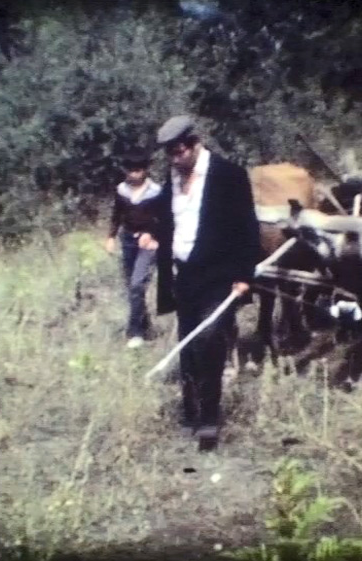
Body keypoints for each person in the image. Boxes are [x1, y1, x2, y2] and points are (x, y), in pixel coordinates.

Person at [137, 115, 262, 451]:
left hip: (219, 274)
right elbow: (168, 219)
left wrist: (244, 276)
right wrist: (153, 234)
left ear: (195, 143)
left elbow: (247, 228)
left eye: (178, 152)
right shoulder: (173, 179)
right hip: (184, 276)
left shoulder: (229, 175)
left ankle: (209, 420)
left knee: (209, 341)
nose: (174, 159)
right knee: (188, 344)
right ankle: (190, 409)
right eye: (169, 154)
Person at [105, 149, 162, 349]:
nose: (134, 174)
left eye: (138, 169)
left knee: (138, 284)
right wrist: (111, 237)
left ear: (145, 170)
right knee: (131, 286)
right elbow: (116, 215)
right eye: (130, 170)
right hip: (128, 240)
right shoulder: (122, 191)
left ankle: (135, 332)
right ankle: (146, 326)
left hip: (148, 243)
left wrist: (152, 234)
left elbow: (163, 219)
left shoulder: (156, 192)